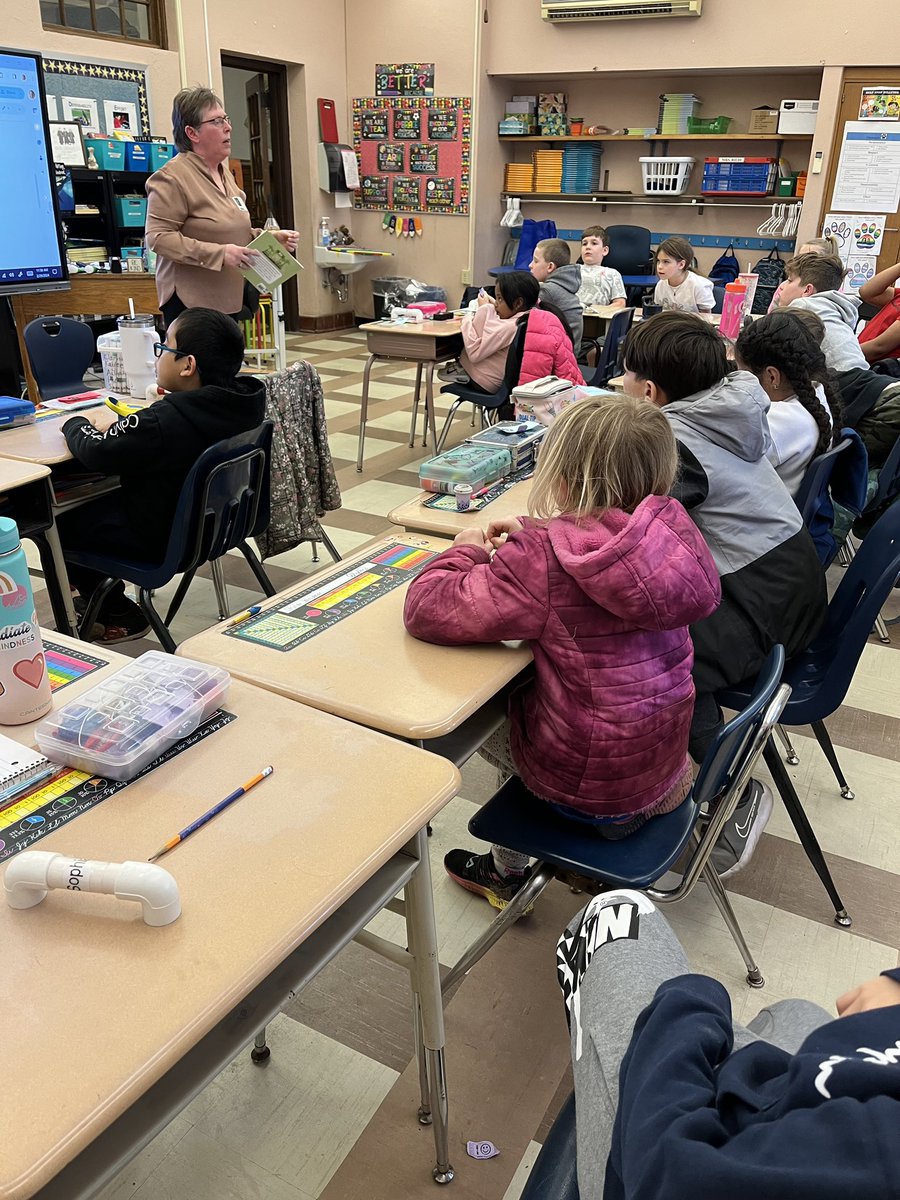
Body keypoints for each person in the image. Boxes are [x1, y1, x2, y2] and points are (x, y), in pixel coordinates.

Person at [403, 395, 721, 908]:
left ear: (564, 480)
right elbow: (603, 555)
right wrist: (536, 536)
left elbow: (427, 608)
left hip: (593, 793)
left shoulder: (543, 561)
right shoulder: (673, 532)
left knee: (483, 715)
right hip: (661, 766)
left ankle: (507, 871)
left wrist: (463, 547)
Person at [622, 313, 826, 834]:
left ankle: (720, 793)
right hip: (794, 580)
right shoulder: (729, 407)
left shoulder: (676, 438)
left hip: (763, 601)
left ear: (647, 391)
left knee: (655, 657)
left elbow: (634, 533)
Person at [559, 892, 900, 1200]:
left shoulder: (880, 1157)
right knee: (798, 1013)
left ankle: (509, 870)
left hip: (660, 1166)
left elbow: (673, 1177)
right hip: (781, 1107)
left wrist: (692, 1005)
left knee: (616, 911)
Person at [58, 308, 267, 643]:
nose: (159, 357)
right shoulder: (246, 399)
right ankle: (98, 594)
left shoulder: (163, 421)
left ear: (187, 365)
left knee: (60, 525)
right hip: (217, 529)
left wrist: (76, 424)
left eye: (164, 348)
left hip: (161, 541)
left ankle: (118, 612)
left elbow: (97, 452)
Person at [145, 87, 299, 327]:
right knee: (200, 365)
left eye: (226, 119)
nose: (228, 127)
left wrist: (269, 238)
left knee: (228, 364)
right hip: (190, 304)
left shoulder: (224, 174)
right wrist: (219, 254)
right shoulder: (172, 177)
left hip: (229, 299)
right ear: (192, 133)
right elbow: (158, 238)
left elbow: (231, 231)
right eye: (216, 121)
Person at [779, 252, 900, 463]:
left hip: (873, 396)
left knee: (838, 463)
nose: (782, 285)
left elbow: (880, 346)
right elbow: (867, 291)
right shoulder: (834, 306)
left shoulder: (802, 308)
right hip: (870, 385)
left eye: (789, 280)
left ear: (807, 290)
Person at [735, 309, 842, 495]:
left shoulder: (775, 424)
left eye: (742, 373)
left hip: (762, 514)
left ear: (772, 377)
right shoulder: (817, 391)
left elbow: (726, 470)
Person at [437, 274, 540, 390]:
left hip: (485, 381)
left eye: (500, 299)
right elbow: (499, 320)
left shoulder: (508, 328)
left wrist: (474, 315)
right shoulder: (527, 317)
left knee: (460, 347)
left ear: (518, 303)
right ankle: (461, 367)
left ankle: (463, 368)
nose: (496, 304)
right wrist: (494, 305)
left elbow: (474, 353)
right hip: (499, 379)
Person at [529, 237, 584, 347]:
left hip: (558, 359)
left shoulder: (547, 291)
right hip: (569, 356)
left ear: (550, 267)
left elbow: (519, 314)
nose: (530, 265)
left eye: (535, 261)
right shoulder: (563, 286)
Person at [768, 235, 839, 311]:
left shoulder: (835, 294)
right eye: (800, 257)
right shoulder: (785, 287)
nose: (802, 261)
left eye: (810, 258)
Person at [652, 236, 715, 313]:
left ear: (681, 264)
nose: (659, 266)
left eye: (666, 262)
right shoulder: (660, 285)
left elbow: (707, 319)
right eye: (658, 261)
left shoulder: (699, 286)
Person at [858, 257, 900, 366]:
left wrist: (841, 353)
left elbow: (879, 347)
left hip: (877, 372)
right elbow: (867, 292)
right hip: (859, 360)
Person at [577, 225, 627, 309]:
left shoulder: (612, 274)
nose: (588, 247)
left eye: (594, 243)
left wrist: (599, 311)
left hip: (599, 317)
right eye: (584, 244)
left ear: (605, 250)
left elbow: (620, 303)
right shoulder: (571, 271)